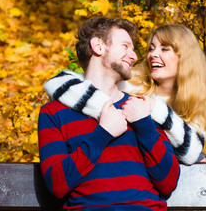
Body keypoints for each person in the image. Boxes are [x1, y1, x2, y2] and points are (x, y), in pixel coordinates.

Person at [38, 17, 180, 210]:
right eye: (125, 46)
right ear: (98, 46)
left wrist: (144, 125)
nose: (134, 55)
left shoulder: (142, 108)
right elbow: (57, 184)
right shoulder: (54, 113)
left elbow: (168, 182)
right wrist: (102, 134)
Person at [44, 24, 206, 165]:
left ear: (185, 57)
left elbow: (193, 152)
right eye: (151, 48)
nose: (153, 54)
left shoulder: (198, 104)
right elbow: (59, 84)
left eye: (164, 49)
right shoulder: (130, 84)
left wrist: (155, 109)